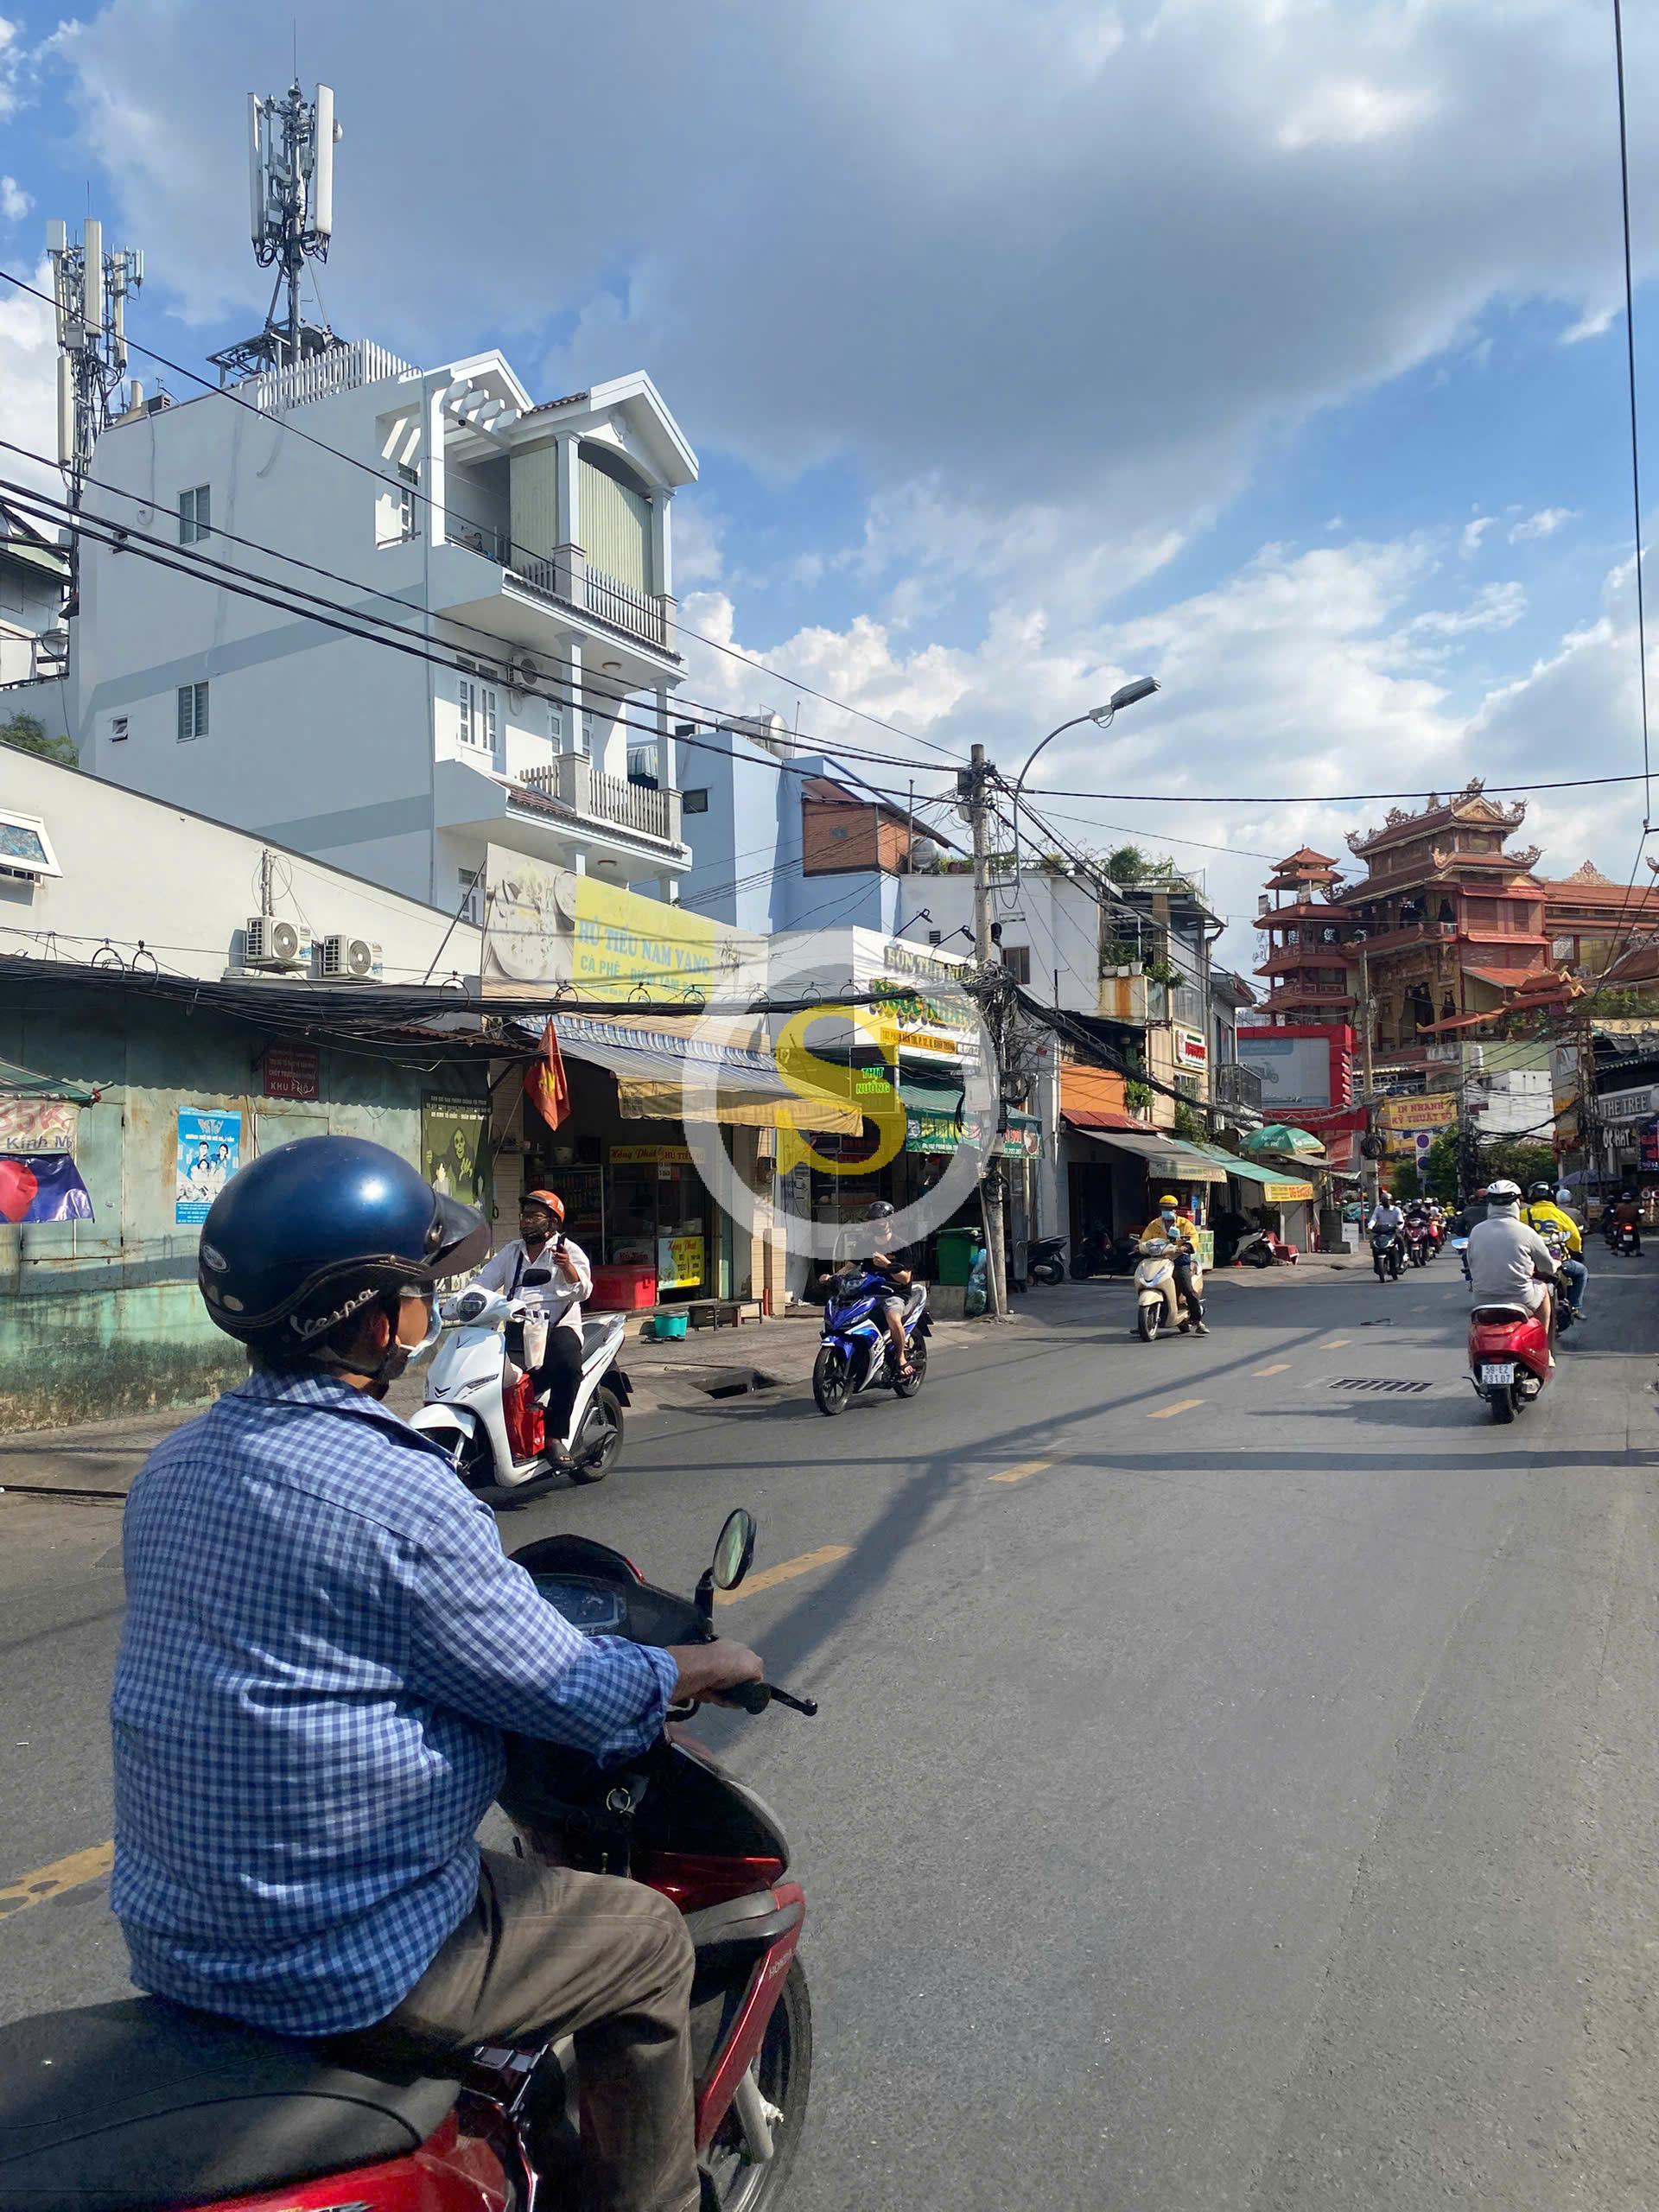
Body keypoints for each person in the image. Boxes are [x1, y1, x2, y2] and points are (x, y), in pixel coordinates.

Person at [112, 1135, 761, 2212]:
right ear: (374, 1319)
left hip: (178, 1937)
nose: (431, 1305)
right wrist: (709, 1660)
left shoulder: (172, 1467)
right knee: (645, 1940)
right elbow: (573, 1692)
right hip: (351, 1958)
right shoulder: (397, 1494)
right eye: (419, 1288)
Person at [472, 1189, 593, 1459]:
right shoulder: (511, 1252)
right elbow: (483, 1282)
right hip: (518, 1326)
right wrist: (467, 1298)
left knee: (568, 1368)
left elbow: (584, 1291)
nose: (525, 1221)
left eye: (533, 1217)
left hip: (559, 1326)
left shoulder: (569, 1251)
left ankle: (554, 1436)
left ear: (552, 1221)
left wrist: (567, 1268)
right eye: (524, 1216)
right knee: (490, 1377)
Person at [1466, 1176, 1561, 1367]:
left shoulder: (1477, 1231)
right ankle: (1546, 1350)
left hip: (1481, 1299)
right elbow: (1547, 1267)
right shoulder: (1525, 1232)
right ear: (1517, 1202)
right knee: (1544, 1289)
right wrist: (1556, 1264)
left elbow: (1471, 1263)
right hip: (1521, 1298)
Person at [821, 1198, 916, 1378]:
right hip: (868, 1290)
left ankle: (901, 1357)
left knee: (893, 1318)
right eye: (873, 1219)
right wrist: (832, 1277)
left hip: (894, 1292)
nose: (877, 1223)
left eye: (880, 1219)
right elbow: (849, 1267)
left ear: (889, 1220)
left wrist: (887, 1264)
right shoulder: (865, 1243)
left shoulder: (901, 1244)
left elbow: (905, 1278)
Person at [1137, 1193, 1206, 1334]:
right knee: (1145, 1281)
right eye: (1164, 1207)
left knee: (1186, 1287)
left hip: (1179, 1259)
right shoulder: (1154, 1224)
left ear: (1175, 1209)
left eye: (1170, 1208)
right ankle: (1145, 1321)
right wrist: (1139, 1246)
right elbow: (1144, 1240)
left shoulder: (1184, 1224)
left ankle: (1197, 1319)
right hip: (1158, 1259)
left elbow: (1194, 1238)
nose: (1167, 1210)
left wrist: (1187, 1246)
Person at [1521, 1181, 1587, 1318]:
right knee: (1582, 1272)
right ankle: (1575, 1306)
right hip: (1559, 1263)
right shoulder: (1560, 1215)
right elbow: (1575, 1238)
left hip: (1530, 1264)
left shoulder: (1523, 1215)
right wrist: (1577, 1252)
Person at [1612, 1187, 1643, 1255]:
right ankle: (1638, 1251)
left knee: (1617, 1235)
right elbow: (1638, 1217)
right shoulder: (1634, 1207)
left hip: (1622, 1224)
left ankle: (1615, 1250)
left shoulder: (1620, 1207)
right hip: (1632, 1224)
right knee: (1636, 1236)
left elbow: (1615, 1216)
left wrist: (1615, 1221)